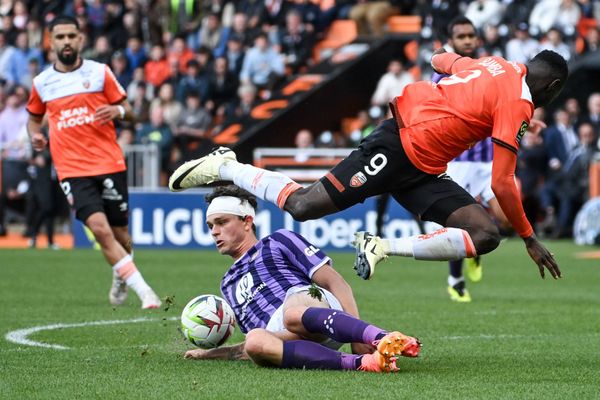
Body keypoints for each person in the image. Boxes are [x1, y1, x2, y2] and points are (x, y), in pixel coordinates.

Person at [169, 47, 567, 283]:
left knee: (484, 234)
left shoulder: (496, 64)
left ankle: (380, 246)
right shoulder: (518, 102)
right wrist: (530, 237)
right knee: (304, 206)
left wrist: (444, 78)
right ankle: (226, 166)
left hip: (424, 169)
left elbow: (441, 59)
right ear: (552, 87)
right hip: (396, 145)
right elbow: (502, 181)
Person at [183, 185, 421, 372]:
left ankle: (381, 337)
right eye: (211, 225)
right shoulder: (227, 284)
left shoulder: (279, 240)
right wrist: (210, 354)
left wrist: (357, 337)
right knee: (255, 342)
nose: (214, 231)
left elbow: (335, 282)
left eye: (222, 222)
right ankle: (363, 363)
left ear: (247, 222)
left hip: (312, 306)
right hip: (296, 340)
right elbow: (247, 348)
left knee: (292, 311)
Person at [26, 15, 161, 309]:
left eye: (71, 36)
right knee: (99, 229)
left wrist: (118, 112)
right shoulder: (42, 83)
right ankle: (145, 291)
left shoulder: (100, 73)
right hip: (72, 170)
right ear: (51, 41)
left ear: (80, 39)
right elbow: (34, 121)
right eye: (59, 37)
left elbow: (132, 113)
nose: (66, 42)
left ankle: (120, 274)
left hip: (109, 163)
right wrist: (35, 137)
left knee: (121, 234)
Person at [435, 16, 513, 302]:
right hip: (457, 161)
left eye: (471, 36)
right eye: (461, 36)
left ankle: (474, 251)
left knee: (505, 221)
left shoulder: (487, 68)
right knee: (457, 226)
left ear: (477, 39)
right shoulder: (442, 73)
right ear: (451, 42)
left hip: (487, 160)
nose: (467, 40)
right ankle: (455, 280)